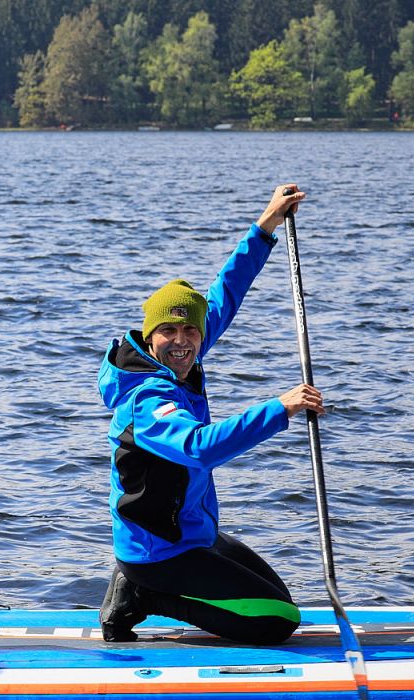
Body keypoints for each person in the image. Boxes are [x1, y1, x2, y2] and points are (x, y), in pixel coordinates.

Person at [97, 183, 324, 645]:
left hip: (192, 536)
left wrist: (266, 225)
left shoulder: (183, 358)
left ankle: (146, 586)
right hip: (158, 554)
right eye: (168, 331)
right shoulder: (146, 401)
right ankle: (143, 596)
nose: (181, 340)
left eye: (189, 331)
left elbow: (224, 297)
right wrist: (279, 408)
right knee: (277, 622)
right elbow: (199, 449)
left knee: (278, 599)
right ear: (149, 335)